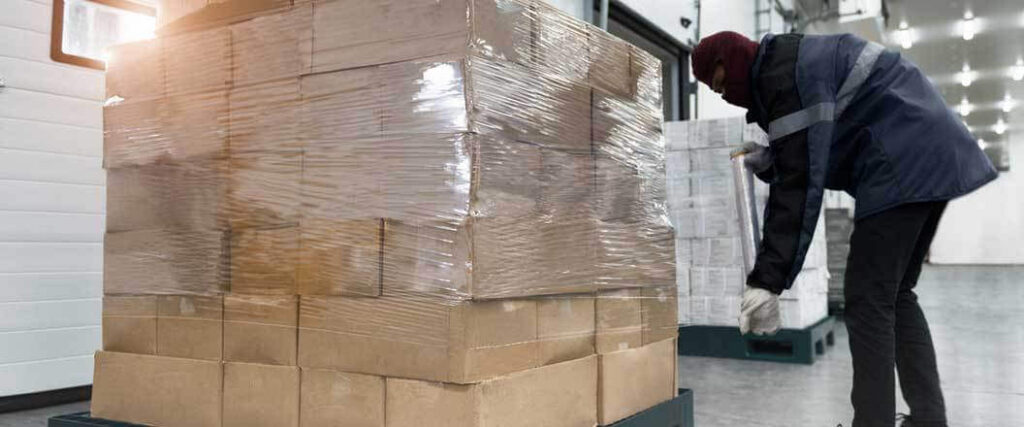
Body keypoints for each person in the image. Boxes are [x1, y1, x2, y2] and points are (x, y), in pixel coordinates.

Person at [690, 31, 998, 427]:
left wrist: (768, 281)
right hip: (932, 152)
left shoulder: (783, 76)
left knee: (867, 302)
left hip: (902, 160)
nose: (725, 94)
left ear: (731, 60)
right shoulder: (790, 63)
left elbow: (800, 186)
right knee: (896, 294)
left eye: (721, 83)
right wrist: (773, 161)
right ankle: (929, 419)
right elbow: (820, 151)